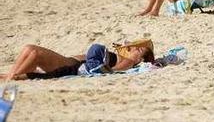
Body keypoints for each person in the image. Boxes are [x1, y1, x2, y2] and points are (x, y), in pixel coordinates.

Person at [2, 41, 155, 80]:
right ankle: (10, 77)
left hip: (70, 64)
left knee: (34, 52)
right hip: (69, 60)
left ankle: (10, 79)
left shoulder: (130, 61)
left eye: (140, 50)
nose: (136, 48)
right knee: (29, 49)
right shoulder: (123, 55)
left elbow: (114, 71)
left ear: (140, 58)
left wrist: (98, 70)